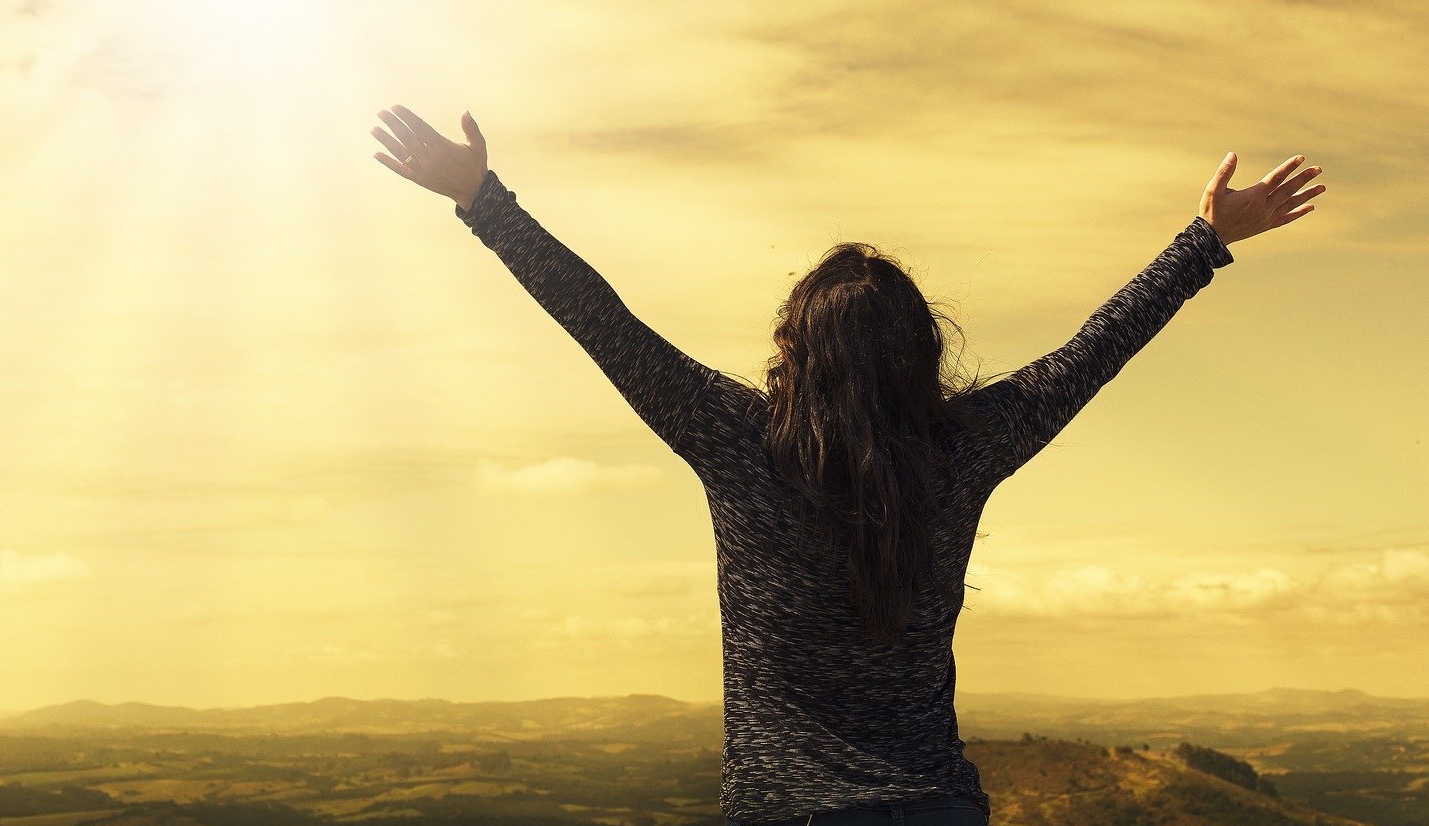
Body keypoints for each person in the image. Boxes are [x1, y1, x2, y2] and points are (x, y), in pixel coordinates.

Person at [370, 104, 1325, 826]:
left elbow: (603, 323)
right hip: (935, 807)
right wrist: (1204, 241)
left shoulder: (736, 439)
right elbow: (1090, 351)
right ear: (920, 350)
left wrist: (482, 201)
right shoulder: (965, 448)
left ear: (793, 349)